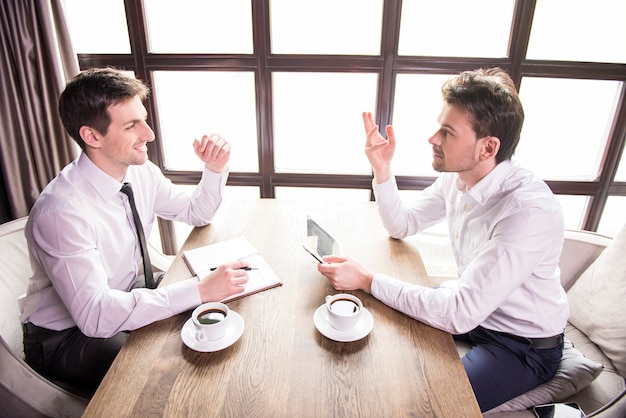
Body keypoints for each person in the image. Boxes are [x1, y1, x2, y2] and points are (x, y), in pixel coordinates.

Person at [317, 68, 567, 412]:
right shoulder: (460, 178)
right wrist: (381, 169)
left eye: (447, 132)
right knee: (381, 331)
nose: (433, 138)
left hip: (521, 345)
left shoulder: (527, 211)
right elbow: (402, 225)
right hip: (473, 311)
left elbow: (459, 314)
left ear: (487, 147)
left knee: (428, 404)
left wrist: (369, 279)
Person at [19, 67, 250, 391]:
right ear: (92, 136)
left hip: (129, 294)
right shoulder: (60, 213)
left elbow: (195, 212)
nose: (149, 134)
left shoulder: (138, 172)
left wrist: (214, 168)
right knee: (168, 375)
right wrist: (198, 290)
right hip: (66, 337)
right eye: (132, 126)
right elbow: (95, 315)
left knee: (220, 322)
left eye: (143, 119)